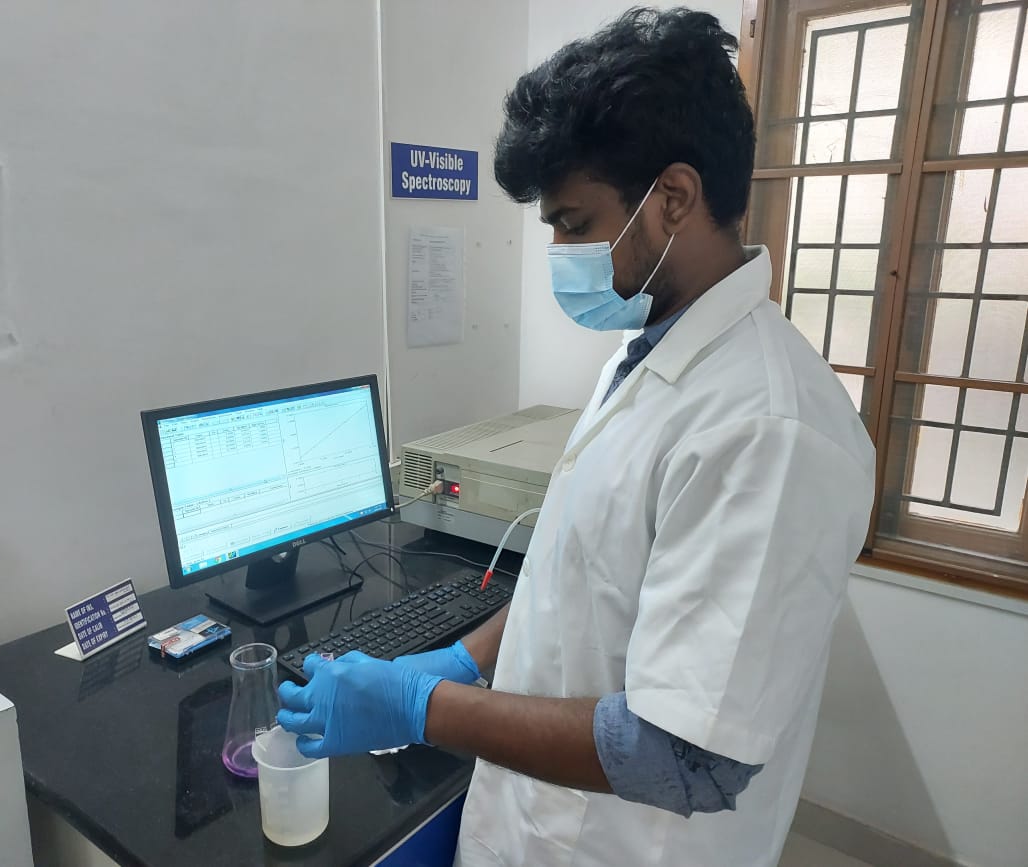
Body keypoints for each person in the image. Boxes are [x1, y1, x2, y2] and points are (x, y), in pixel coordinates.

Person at [277, 8, 876, 865]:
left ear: (673, 198)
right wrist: (461, 658)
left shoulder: (769, 432)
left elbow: (685, 757)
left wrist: (419, 708)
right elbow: (579, 577)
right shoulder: (646, 354)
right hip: (530, 826)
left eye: (573, 222)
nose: (559, 250)